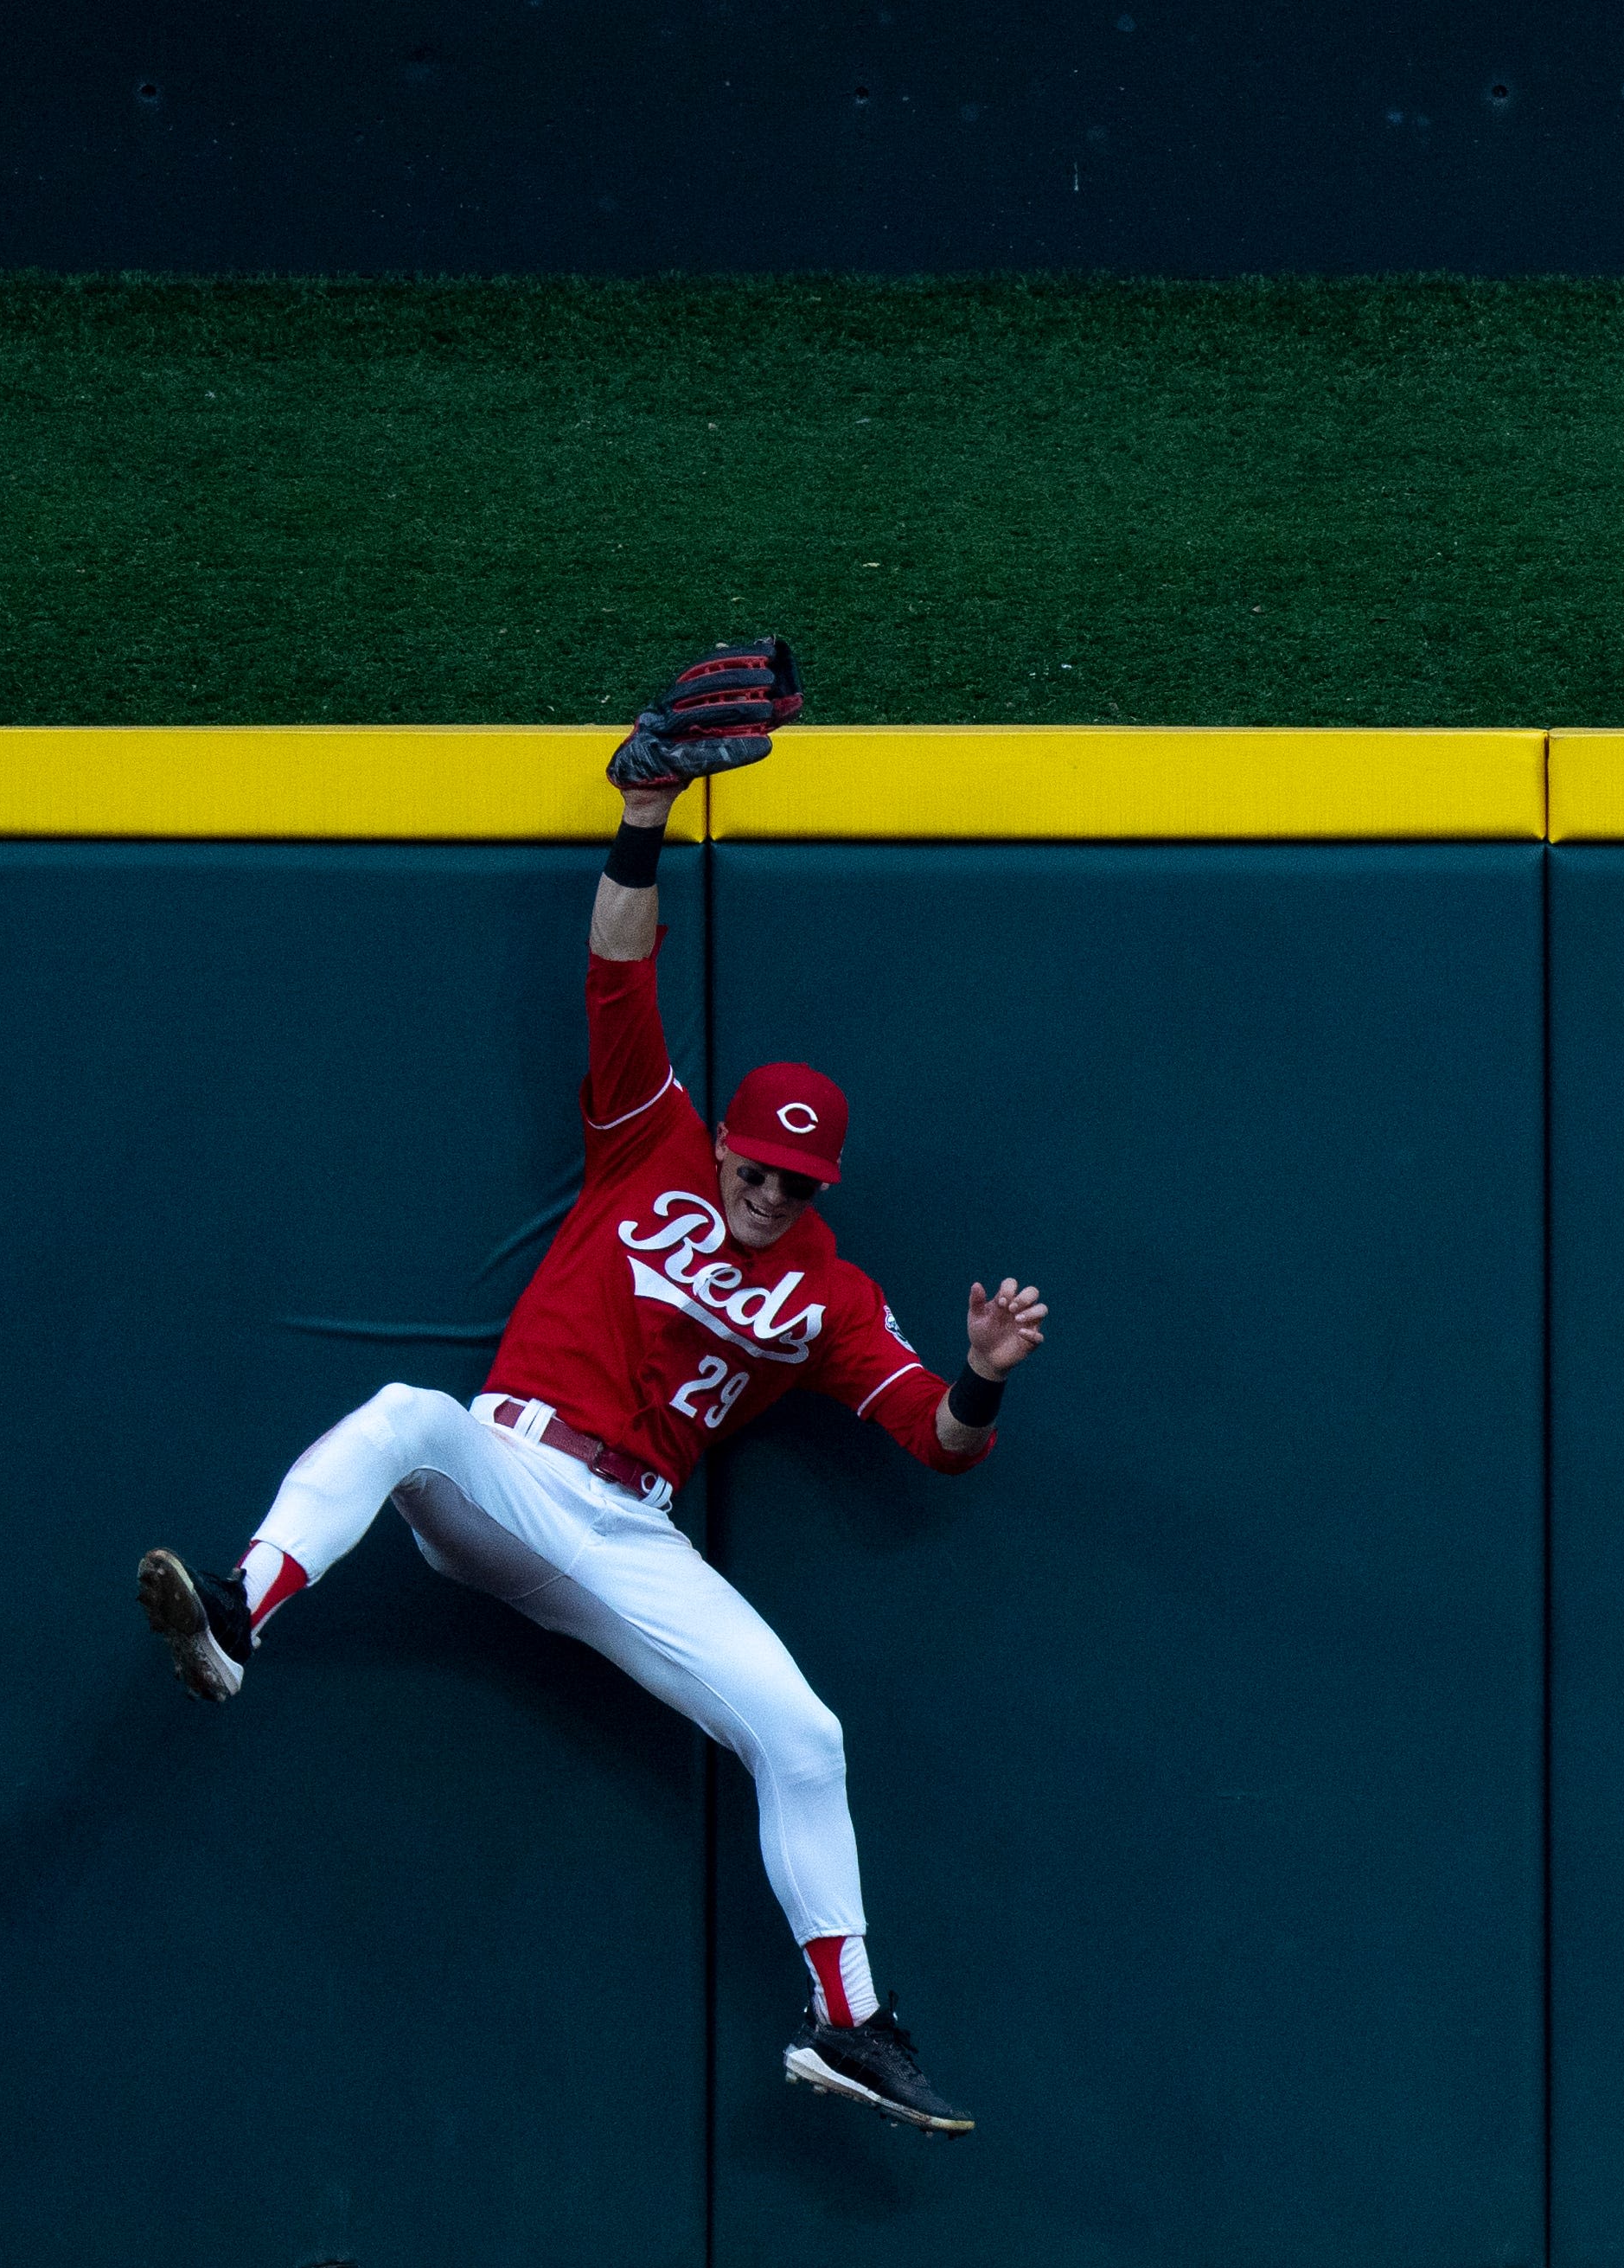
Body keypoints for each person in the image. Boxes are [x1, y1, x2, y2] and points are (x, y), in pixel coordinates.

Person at [132, 640, 1045, 2137]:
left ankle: (849, 2023)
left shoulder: (829, 1289)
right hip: (507, 1472)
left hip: (631, 1537)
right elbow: (619, 970)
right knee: (404, 1417)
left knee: (804, 1735)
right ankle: (238, 1620)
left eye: (793, 1179)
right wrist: (642, 814)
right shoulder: (653, 1141)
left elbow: (933, 1444)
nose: (764, 1189)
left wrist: (983, 1385)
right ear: (730, 1138)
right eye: (757, 1163)